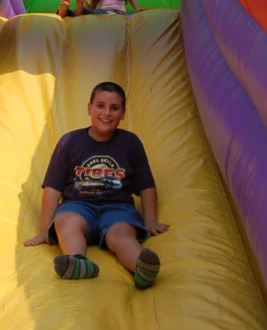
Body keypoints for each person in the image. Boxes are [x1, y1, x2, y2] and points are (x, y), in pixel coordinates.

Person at [24, 81, 169, 289]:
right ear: (89, 108)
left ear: (123, 113)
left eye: (114, 108)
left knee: (121, 234)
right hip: (78, 205)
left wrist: (151, 220)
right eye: (100, 106)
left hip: (117, 208)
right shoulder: (70, 142)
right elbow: (53, 188)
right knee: (66, 222)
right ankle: (79, 263)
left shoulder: (131, 143)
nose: (107, 113)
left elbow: (146, 185)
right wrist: (43, 230)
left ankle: (141, 267)